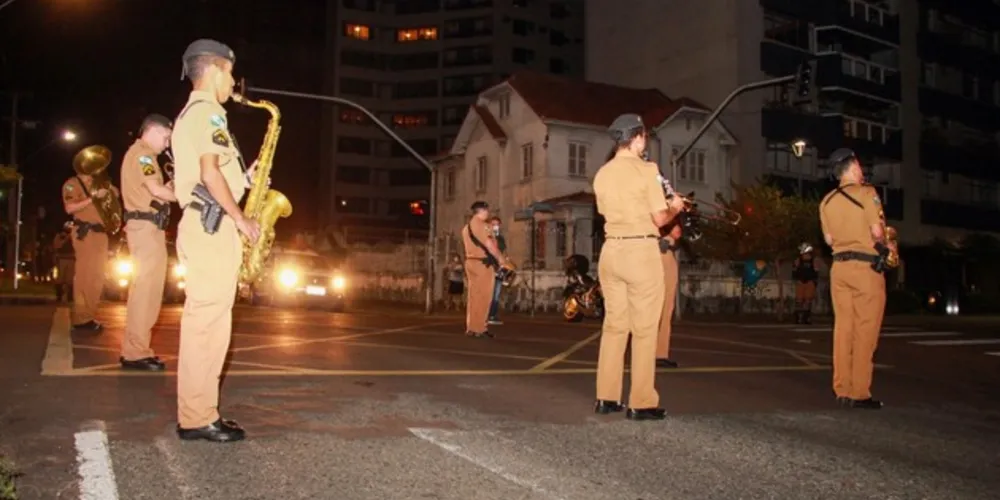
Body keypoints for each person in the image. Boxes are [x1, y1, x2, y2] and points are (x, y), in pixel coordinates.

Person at [172, 39, 261, 442]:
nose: (233, 84)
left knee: (213, 323)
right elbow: (209, 174)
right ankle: (195, 417)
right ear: (216, 70)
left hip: (211, 223)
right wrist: (241, 219)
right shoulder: (207, 113)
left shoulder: (200, 115)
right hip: (211, 226)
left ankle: (203, 411)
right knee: (206, 325)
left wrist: (247, 179)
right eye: (230, 75)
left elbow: (216, 175)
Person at [592, 113, 685, 421]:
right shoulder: (647, 169)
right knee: (645, 329)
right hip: (640, 251)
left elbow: (606, 211)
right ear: (636, 137)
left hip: (611, 251)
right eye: (644, 136)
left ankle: (606, 397)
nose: (646, 142)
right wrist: (676, 206)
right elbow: (660, 219)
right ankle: (641, 401)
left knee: (614, 326)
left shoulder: (602, 174)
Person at [819, 148, 886, 410]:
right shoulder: (867, 193)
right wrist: (886, 246)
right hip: (865, 267)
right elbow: (877, 232)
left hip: (839, 268)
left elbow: (829, 240)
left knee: (843, 329)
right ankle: (860, 392)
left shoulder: (825, 202)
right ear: (854, 166)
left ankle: (842, 388)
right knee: (865, 330)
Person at [119, 114, 177, 372]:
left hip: (148, 228)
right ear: (153, 131)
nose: (166, 145)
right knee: (145, 292)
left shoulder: (141, 156)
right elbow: (157, 191)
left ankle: (138, 348)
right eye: (166, 138)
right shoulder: (143, 155)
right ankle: (134, 352)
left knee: (150, 291)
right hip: (145, 228)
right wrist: (186, 193)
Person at [61, 160, 118, 331]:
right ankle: (81, 318)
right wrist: (93, 198)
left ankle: (89, 315)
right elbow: (70, 208)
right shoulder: (72, 184)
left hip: (101, 234)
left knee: (97, 277)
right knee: (85, 275)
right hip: (85, 233)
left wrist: (108, 190)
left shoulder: (97, 183)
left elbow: (116, 194)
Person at [461, 201, 506, 338]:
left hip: (470, 262)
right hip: (482, 264)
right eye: (487, 210)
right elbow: (490, 245)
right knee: (484, 296)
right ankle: (480, 328)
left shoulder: (466, 228)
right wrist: (501, 259)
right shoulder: (483, 226)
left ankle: (471, 327)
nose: (488, 213)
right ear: (483, 211)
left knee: (473, 296)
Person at [655, 222, 683, 368]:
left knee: (666, 311)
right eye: (675, 225)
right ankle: (655, 353)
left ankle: (660, 353)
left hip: (667, 252)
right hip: (661, 255)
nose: (679, 229)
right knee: (660, 310)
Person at [487, 216, 507, 325]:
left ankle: (493, 314)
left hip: (499, 268)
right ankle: (487, 315)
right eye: (493, 224)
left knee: (497, 293)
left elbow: (503, 252)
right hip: (489, 267)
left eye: (497, 224)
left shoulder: (500, 239)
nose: (495, 226)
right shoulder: (486, 237)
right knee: (489, 292)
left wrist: (504, 263)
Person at [793, 242, 819, 325]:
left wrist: (814, 281)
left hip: (810, 281)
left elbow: (816, 271)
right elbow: (794, 271)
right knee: (799, 300)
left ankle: (806, 318)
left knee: (808, 300)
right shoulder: (798, 260)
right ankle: (798, 318)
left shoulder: (813, 260)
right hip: (800, 281)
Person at [52, 222, 75, 302]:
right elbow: (57, 246)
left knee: (70, 279)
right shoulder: (60, 236)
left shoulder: (74, 236)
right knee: (60, 278)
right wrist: (66, 238)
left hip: (72, 259)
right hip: (62, 259)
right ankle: (59, 296)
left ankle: (70, 297)